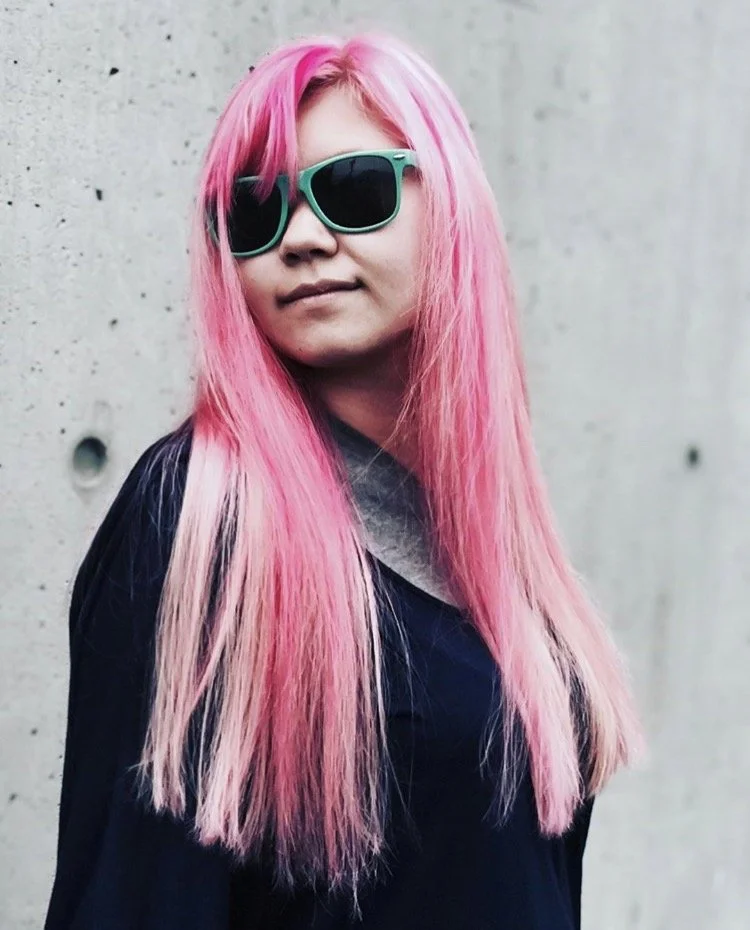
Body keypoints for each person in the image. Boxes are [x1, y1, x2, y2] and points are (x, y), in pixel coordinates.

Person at [43, 31, 644, 930]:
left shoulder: (493, 543)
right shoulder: (203, 515)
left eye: (354, 190)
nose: (304, 238)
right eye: (255, 214)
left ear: (449, 209)